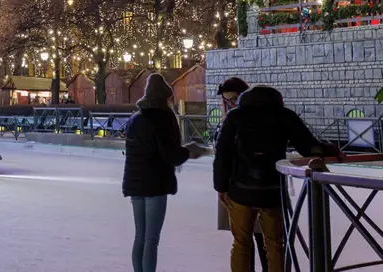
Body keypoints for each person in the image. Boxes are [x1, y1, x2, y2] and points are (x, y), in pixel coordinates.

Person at [214, 85, 341, 272]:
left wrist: (221, 187)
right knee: (275, 245)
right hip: (272, 190)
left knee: (241, 243)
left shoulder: (234, 116)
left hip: (240, 190)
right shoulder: (284, 115)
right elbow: (308, 146)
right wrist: (333, 150)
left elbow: (222, 153)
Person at [122, 74, 203, 272]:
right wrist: (189, 152)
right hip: (155, 184)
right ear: (164, 97)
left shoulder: (135, 119)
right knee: (151, 239)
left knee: (140, 236)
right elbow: (170, 155)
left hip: (134, 183)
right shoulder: (162, 119)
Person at [216, 78, 269, 272]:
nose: (230, 104)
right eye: (226, 100)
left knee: (263, 239)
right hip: (234, 187)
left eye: (234, 99)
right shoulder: (227, 121)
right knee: (243, 240)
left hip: (255, 186)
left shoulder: (251, 120)